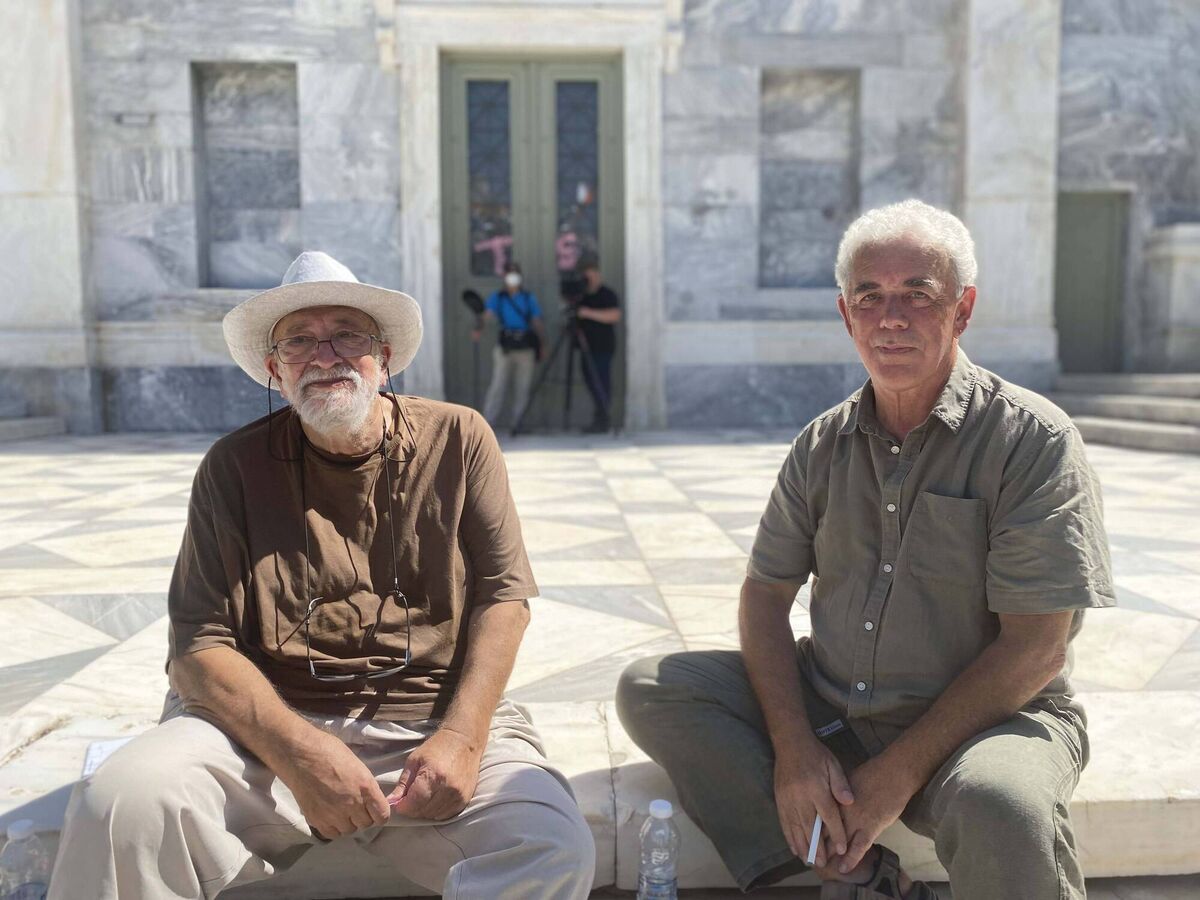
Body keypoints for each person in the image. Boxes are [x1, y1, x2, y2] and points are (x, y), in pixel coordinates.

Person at [49, 251, 595, 899]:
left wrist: (462, 737)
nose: (325, 354)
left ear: (384, 356)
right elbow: (198, 649)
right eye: (300, 341)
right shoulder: (234, 466)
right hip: (263, 732)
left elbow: (505, 600)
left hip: (430, 720)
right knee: (120, 803)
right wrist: (300, 754)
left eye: (348, 334)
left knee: (550, 845)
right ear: (276, 370)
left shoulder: (460, 438)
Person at [616, 200, 1114, 900]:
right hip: (835, 709)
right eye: (870, 298)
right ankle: (853, 873)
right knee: (656, 686)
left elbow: (1037, 649)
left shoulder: (1031, 441)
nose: (891, 318)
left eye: (918, 294)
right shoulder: (822, 445)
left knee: (1002, 801)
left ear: (962, 309)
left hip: (987, 722)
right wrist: (795, 749)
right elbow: (765, 594)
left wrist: (900, 771)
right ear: (846, 315)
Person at [474, 260, 546, 427]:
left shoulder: (528, 298)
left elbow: (537, 321)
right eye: (509, 273)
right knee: (497, 385)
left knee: (523, 388)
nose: (512, 277)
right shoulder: (498, 297)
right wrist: (479, 326)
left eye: (515, 273)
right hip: (505, 347)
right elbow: (487, 315)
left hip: (525, 348)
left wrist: (543, 344)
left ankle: (518, 424)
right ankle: (487, 424)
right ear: (504, 277)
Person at [573, 258, 621, 433]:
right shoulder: (582, 296)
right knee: (590, 381)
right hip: (586, 347)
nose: (590, 279)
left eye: (593, 274)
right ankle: (598, 417)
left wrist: (588, 313)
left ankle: (604, 419)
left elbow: (614, 316)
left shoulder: (607, 294)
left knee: (601, 382)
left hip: (603, 347)